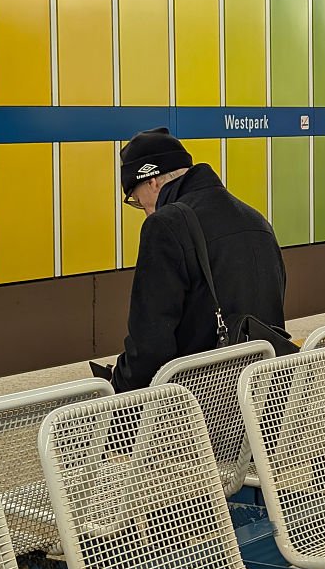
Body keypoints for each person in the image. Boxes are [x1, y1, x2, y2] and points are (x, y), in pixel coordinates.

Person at [96, 127, 287, 392]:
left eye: (138, 202)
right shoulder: (256, 220)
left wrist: (116, 386)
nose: (145, 213)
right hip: (260, 402)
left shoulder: (166, 226)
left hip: (198, 408)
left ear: (152, 182)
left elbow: (150, 347)